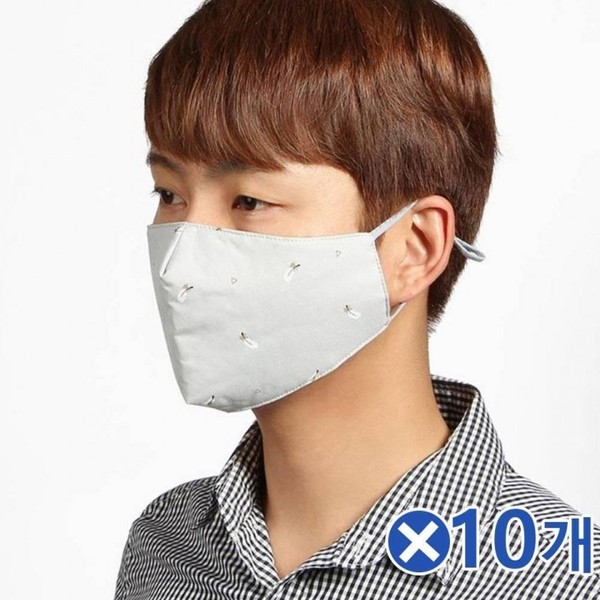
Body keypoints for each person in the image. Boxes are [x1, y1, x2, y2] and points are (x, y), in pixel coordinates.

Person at [113, 0, 599, 598]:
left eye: (250, 201)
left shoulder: (559, 581)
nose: (181, 262)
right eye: (169, 193)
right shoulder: (165, 546)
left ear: (414, 248)